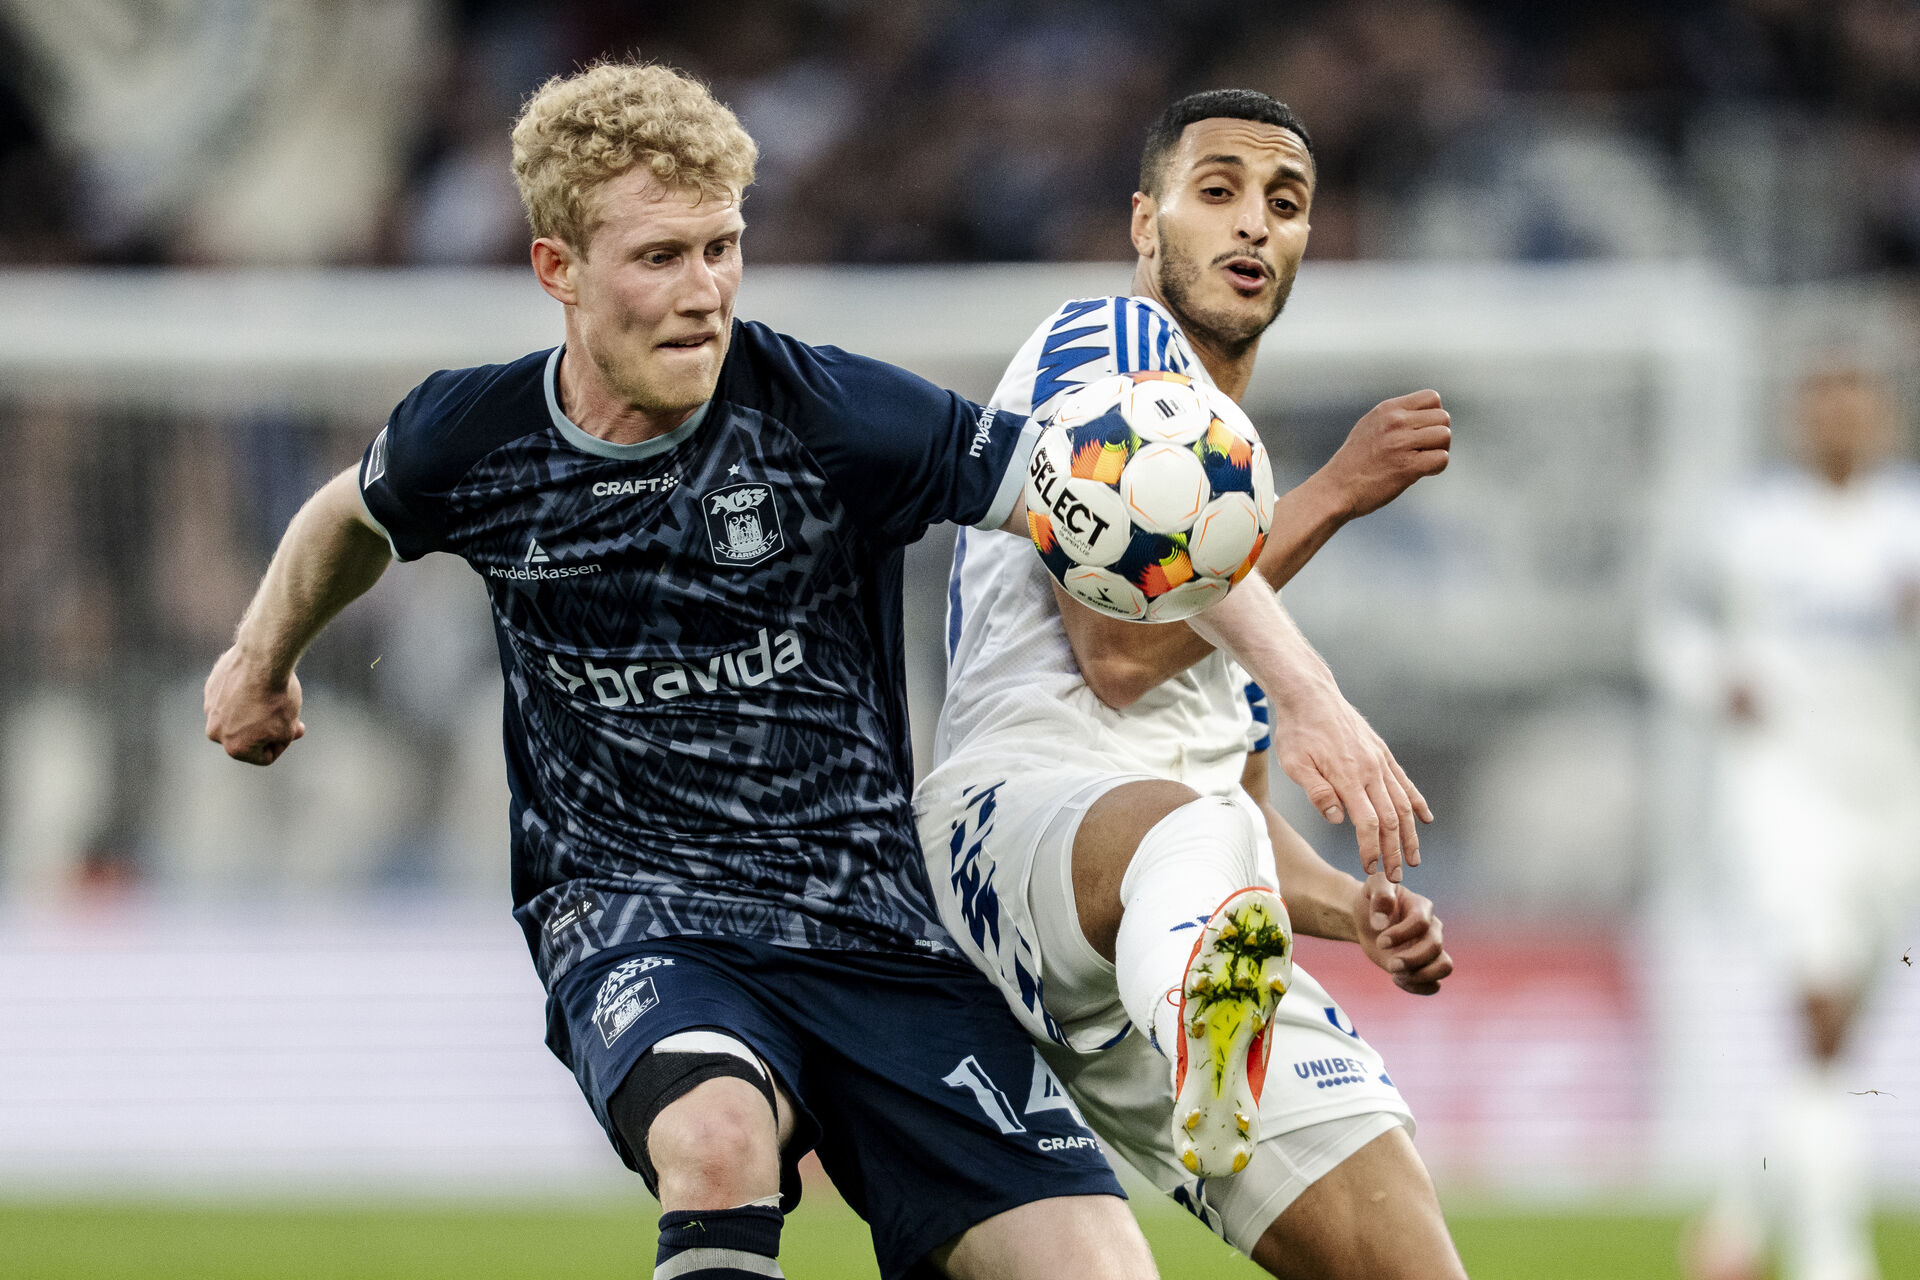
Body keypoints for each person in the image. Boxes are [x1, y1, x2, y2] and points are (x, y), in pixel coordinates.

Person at [200, 63, 1418, 1280]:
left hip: (874, 933)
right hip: (640, 912)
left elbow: (1134, 519)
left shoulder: (830, 413)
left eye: (723, 249)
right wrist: (262, 660)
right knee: (719, 1138)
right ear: (557, 269)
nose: (705, 294)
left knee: (1097, 1268)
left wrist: (1313, 699)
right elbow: (347, 517)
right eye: (661, 258)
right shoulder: (470, 437)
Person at [916, 89, 1469, 1277]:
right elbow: (1115, 653)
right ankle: (1202, 1013)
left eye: (1285, 203)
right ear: (1143, 220)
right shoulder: (1112, 347)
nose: (1253, 225)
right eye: (1216, 191)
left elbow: (1245, 805)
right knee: (1195, 830)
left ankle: (1209, 1018)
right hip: (1019, 827)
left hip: (1178, 902)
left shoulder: (1230, 492)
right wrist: (1330, 499)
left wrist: (1347, 913)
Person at [1674, 364, 1920, 1280]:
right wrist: (1713, 679)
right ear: (1799, 420)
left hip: (1895, 801)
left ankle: (1741, 1209)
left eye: (1857, 408)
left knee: (1835, 1034)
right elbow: (1672, 630)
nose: (1840, 426)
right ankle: (1831, 1251)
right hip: (1783, 795)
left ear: (1882, 421)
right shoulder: (1748, 528)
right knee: (1817, 1004)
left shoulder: (1910, 523)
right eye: (1823, 408)